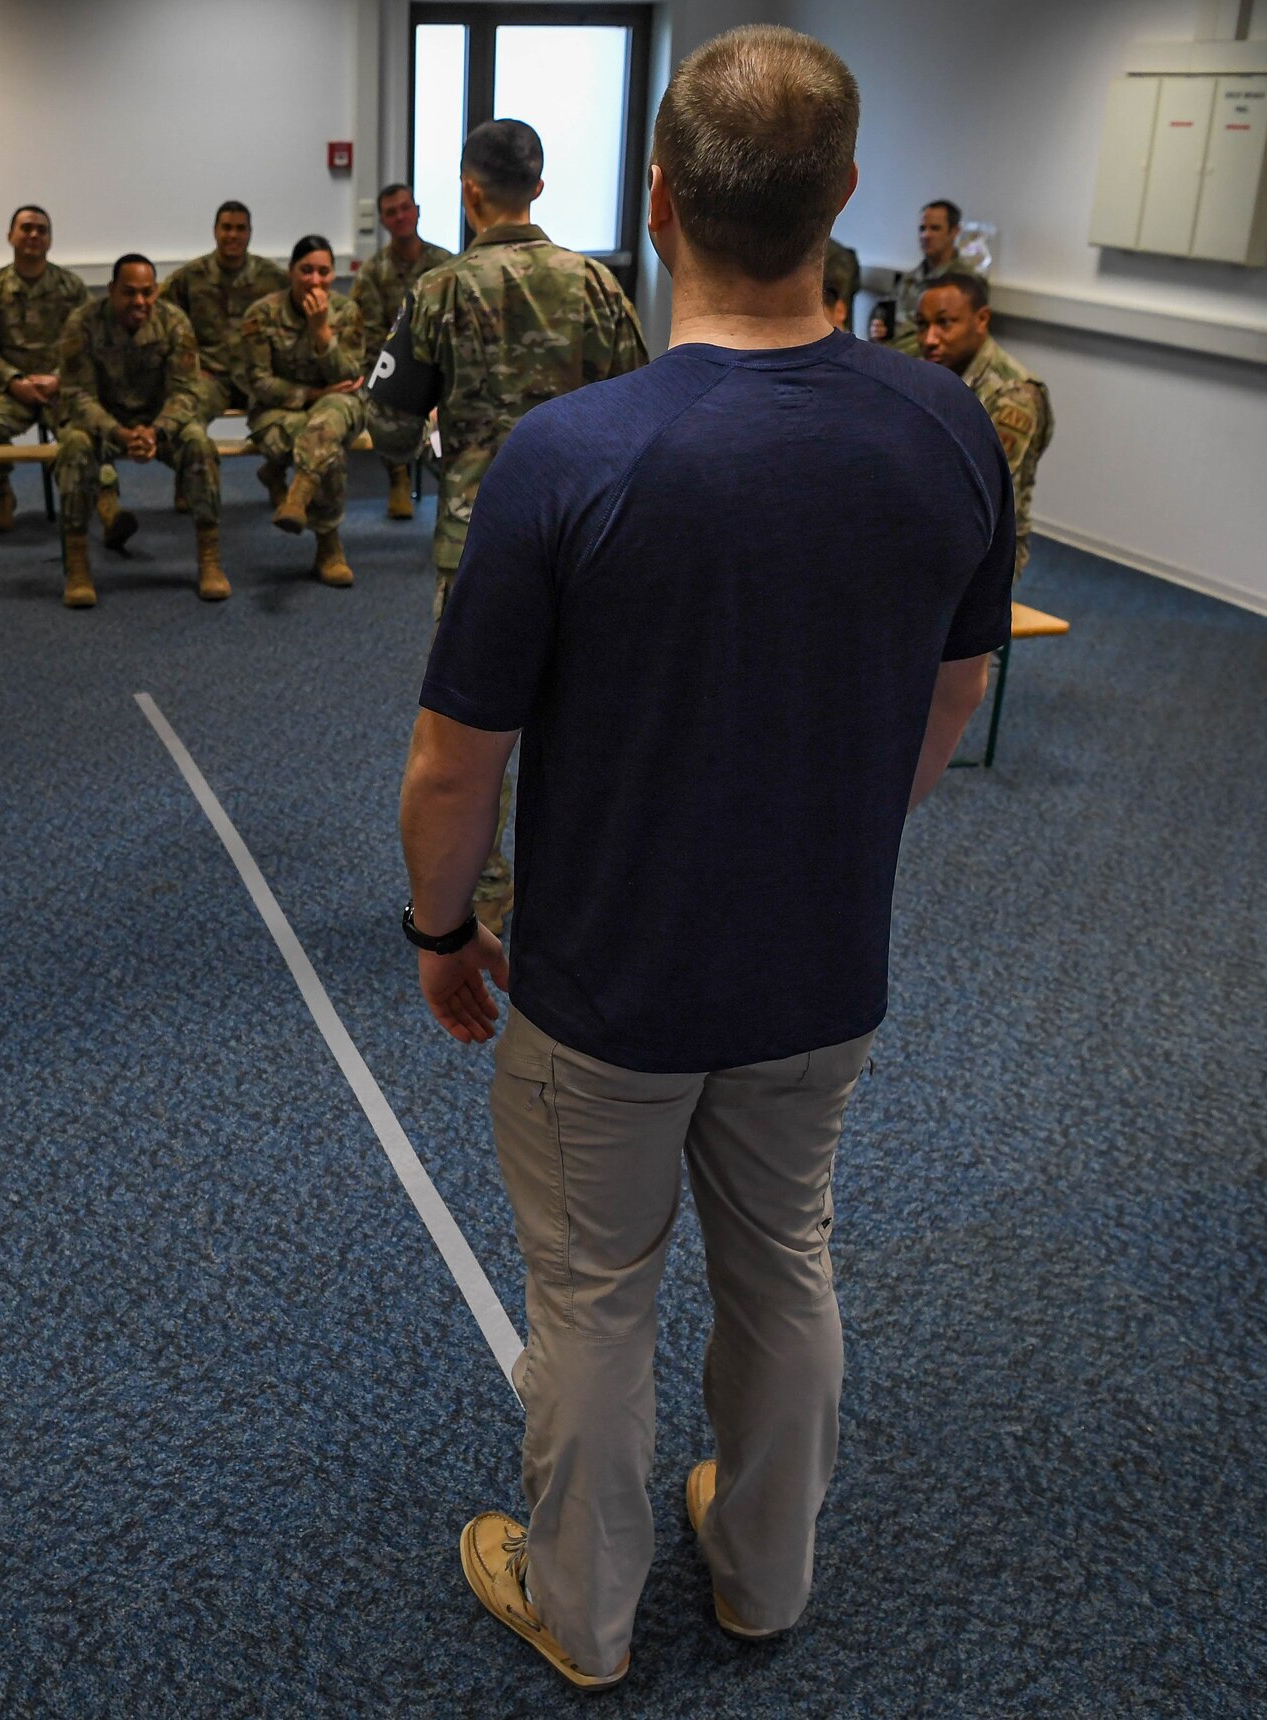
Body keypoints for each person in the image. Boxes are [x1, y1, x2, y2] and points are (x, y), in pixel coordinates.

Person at [399, 25, 1011, 1688]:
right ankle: (762, 1574)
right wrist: (835, 829)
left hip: (607, 989)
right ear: (848, 198)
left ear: (657, 201)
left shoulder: (570, 461)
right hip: (822, 968)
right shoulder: (951, 430)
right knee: (785, 1261)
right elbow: (953, 698)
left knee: (595, 1302)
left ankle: (582, 1615)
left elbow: (456, 766)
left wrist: (439, 936)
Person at [368, 117, 649, 935]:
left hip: (479, 544)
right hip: (589, 543)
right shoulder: (596, 285)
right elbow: (645, 408)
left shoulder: (438, 289)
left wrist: (433, 430)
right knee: (584, 722)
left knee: (466, 741)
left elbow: (385, 428)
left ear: (468, 190)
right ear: (538, 186)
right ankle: (575, 896)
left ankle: (476, 902)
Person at [51, 255, 226, 609]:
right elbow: (76, 395)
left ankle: (209, 560)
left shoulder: (174, 323)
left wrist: (156, 432)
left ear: (157, 291)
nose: (140, 302)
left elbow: (186, 392)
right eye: (129, 293)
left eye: (148, 293)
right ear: (112, 291)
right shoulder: (82, 323)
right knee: (73, 447)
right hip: (105, 423)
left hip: (158, 423)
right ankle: (78, 566)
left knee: (198, 444)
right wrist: (118, 433)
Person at [241, 236, 366, 587]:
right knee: (329, 447)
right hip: (279, 412)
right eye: (306, 270)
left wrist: (322, 332)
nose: (315, 280)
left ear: (333, 274)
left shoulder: (347, 312)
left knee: (334, 413)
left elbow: (351, 379)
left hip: (338, 407)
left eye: (323, 272)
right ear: (290, 272)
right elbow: (258, 382)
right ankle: (329, 547)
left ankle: (297, 496)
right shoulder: (261, 315)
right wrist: (314, 393)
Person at [916, 272, 1054, 579]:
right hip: (939, 528)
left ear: (981, 320)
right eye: (922, 325)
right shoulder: (938, 373)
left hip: (989, 551)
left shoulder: (1014, 394)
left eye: (945, 323)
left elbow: (980, 491)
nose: (930, 339)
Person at [0, 205, 88, 533]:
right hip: (11, 390)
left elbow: (89, 342)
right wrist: (12, 379)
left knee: (91, 425)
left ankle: (104, 498)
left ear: (50, 241)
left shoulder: (72, 288)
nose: (34, 235)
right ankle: (2, 493)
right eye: (26, 228)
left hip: (60, 387)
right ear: (10, 236)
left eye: (41, 230)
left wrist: (60, 378)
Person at [350, 184, 454, 519]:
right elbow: (368, 334)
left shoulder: (446, 264)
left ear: (418, 211)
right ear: (382, 221)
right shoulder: (372, 272)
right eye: (391, 212)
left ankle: (457, 489)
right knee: (384, 394)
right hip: (392, 364)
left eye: (405, 208)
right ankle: (398, 476)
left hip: (442, 363)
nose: (400, 217)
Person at [162, 201, 288, 425]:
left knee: (287, 422)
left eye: (240, 229)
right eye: (226, 228)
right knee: (187, 416)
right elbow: (162, 324)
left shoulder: (272, 278)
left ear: (249, 234)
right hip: (211, 378)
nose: (233, 235)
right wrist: (187, 368)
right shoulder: (190, 278)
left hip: (256, 378)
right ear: (215, 231)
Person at [887, 199, 973, 351]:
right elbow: (893, 320)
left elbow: (963, 338)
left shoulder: (967, 282)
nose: (926, 235)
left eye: (935, 228)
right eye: (922, 228)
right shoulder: (910, 279)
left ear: (954, 232)